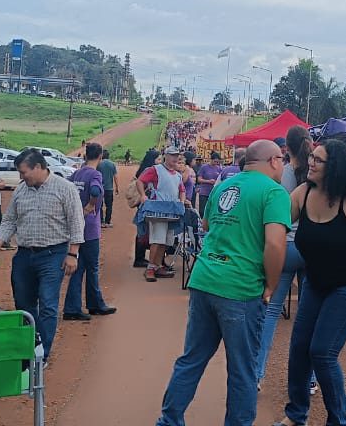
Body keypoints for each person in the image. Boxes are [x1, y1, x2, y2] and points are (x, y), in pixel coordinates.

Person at [156, 140, 290, 426]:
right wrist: (271, 285)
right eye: (282, 159)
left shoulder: (223, 186)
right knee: (243, 369)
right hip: (240, 287)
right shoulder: (274, 193)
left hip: (205, 279)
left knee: (191, 359)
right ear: (274, 160)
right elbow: (276, 244)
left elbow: (206, 226)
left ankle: (168, 420)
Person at [271, 140, 346, 426]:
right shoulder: (302, 193)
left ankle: (338, 420)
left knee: (322, 352)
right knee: (299, 348)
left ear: (335, 168)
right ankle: (296, 414)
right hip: (316, 282)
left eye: (318, 160)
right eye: (311, 158)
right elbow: (276, 222)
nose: (310, 163)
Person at [0, 149, 84, 361]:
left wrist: (72, 254)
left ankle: (42, 355)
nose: (21, 177)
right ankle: (31, 345)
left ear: (38, 167)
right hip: (24, 256)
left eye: (24, 172)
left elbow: (76, 222)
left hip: (53, 254)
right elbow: (10, 219)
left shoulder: (65, 189)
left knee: (48, 304)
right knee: (23, 304)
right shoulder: (22, 190)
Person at [256, 125, 312, 389]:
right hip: (311, 250)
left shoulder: (281, 175)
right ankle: (309, 379)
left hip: (285, 245)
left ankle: (257, 373)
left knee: (269, 314)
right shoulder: (317, 175)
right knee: (307, 316)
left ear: (286, 149)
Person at [64, 143, 117, 321]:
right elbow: (96, 190)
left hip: (74, 226)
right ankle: (95, 304)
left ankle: (72, 307)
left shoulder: (77, 173)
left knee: (78, 268)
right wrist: (91, 205)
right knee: (92, 268)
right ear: (100, 156)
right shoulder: (95, 174)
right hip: (89, 227)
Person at [134, 146, 189, 282]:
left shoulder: (177, 175)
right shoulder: (155, 170)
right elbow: (140, 181)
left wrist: (181, 202)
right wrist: (143, 195)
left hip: (171, 211)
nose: (175, 158)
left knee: (166, 241)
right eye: (172, 155)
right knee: (157, 240)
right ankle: (150, 268)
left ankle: (157, 266)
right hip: (157, 210)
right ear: (166, 156)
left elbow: (182, 190)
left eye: (177, 156)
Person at [194, 151, 223, 215]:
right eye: (215, 161)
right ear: (211, 160)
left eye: (217, 162)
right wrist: (208, 181)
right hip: (204, 192)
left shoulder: (219, 169)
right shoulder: (204, 167)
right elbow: (199, 179)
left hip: (213, 192)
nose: (216, 163)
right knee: (202, 211)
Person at [99, 149, 120, 229]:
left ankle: (101, 221)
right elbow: (115, 177)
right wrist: (117, 187)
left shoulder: (99, 164)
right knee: (109, 206)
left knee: (99, 205)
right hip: (109, 188)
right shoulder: (112, 164)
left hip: (100, 188)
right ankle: (108, 222)